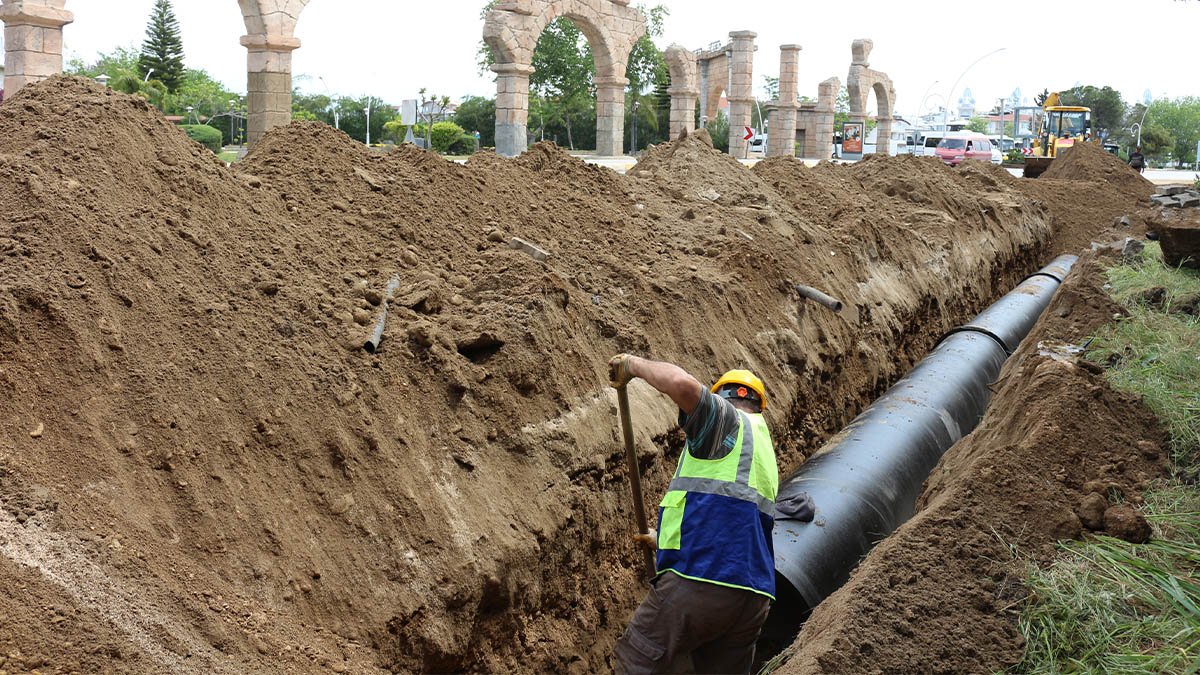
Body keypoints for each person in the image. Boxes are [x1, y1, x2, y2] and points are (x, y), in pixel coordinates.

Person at [608, 354, 779, 675]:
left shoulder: (726, 423)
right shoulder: (762, 448)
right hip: (752, 600)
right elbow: (734, 521)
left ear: (720, 397)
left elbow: (681, 384)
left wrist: (632, 365)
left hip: (703, 582)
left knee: (638, 658)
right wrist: (664, 541)